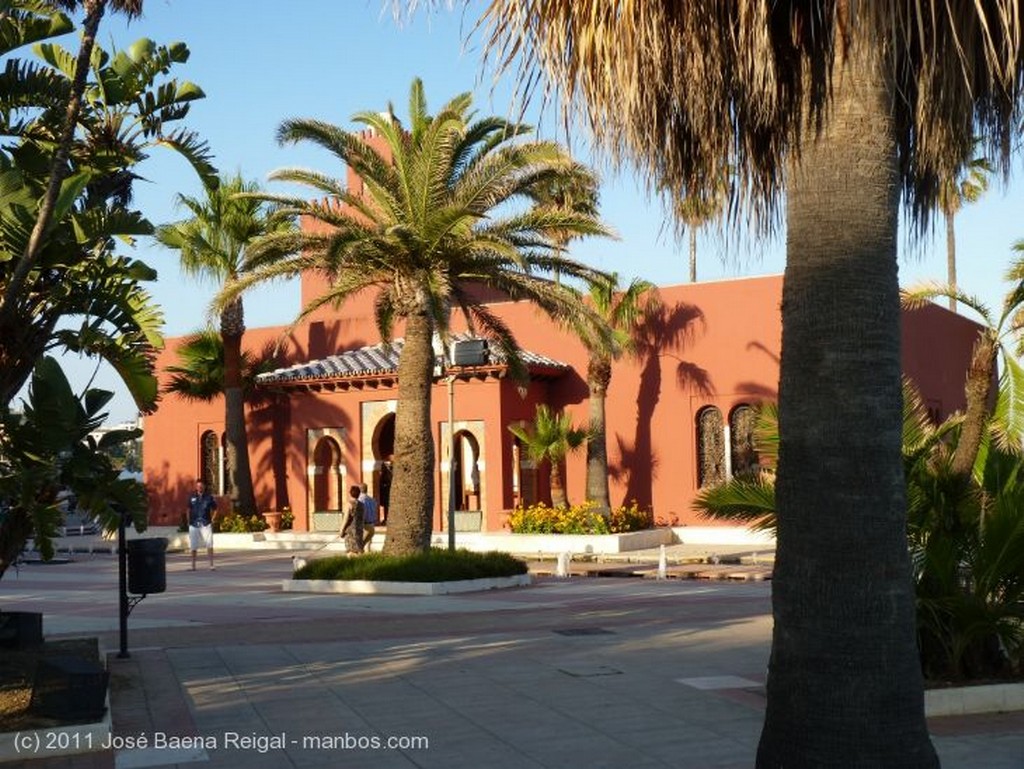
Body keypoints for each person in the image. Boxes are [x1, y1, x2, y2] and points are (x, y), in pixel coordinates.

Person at [187, 479, 217, 570]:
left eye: (201, 486)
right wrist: (188, 521)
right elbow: (188, 509)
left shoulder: (209, 497)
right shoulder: (191, 497)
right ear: (196, 487)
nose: (199, 487)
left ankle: (211, 565)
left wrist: (212, 519)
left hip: (206, 523)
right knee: (193, 545)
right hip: (194, 523)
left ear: (204, 487)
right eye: (198, 486)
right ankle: (193, 566)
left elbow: (215, 509)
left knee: (209, 544)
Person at [339, 485, 364, 555]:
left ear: (350, 493)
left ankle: (351, 563)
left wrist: (341, 529)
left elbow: (346, 518)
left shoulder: (349, 504)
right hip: (359, 529)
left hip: (350, 530)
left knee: (350, 550)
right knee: (358, 549)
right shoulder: (362, 505)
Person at [358, 483, 378, 550]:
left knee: (360, 546)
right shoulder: (372, 500)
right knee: (368, 547)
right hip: (371, 525)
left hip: (364, 526)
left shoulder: (360, 500)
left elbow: (362, 513)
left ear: (359, 490)